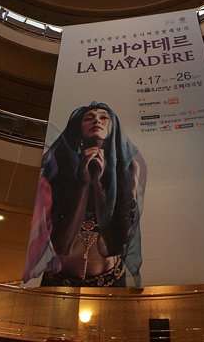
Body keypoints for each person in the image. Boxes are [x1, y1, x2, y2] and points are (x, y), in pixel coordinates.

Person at [24, 102, 146, 287]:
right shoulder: (59, 166)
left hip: (110, 280)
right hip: (58, 279)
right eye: (89, 118)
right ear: (78, 128)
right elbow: (61, 245)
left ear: (113, 127)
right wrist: (83, 184)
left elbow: (116, 243)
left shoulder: (128, 169)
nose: (97, 121)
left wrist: (96, 184)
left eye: (104, 117)